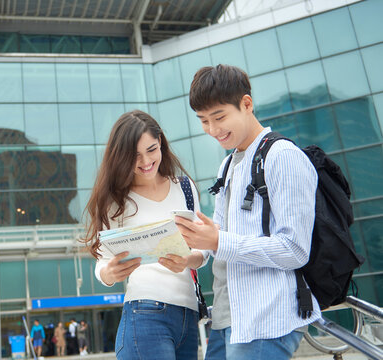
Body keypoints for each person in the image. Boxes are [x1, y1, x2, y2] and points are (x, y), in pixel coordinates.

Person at [176, 64, 321, 359]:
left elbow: (295, 249)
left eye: (219, 117)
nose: (212, 130)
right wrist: (194, 254)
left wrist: (217, 241)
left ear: (246, 104)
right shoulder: (228, 165)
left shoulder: (283, 157)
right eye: (203, 120)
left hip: (266, 321)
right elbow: (219, 236)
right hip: (227, 319)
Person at [84, 110, 208, 359]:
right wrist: (109, 274)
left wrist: (188, 259)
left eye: (151, 149)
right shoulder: (116, 200)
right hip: (145, 314)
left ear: (160, 141)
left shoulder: (184, 187)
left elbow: (203, 249)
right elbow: (103, 262)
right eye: (135, 156)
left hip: (188, 316)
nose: (145, 161)